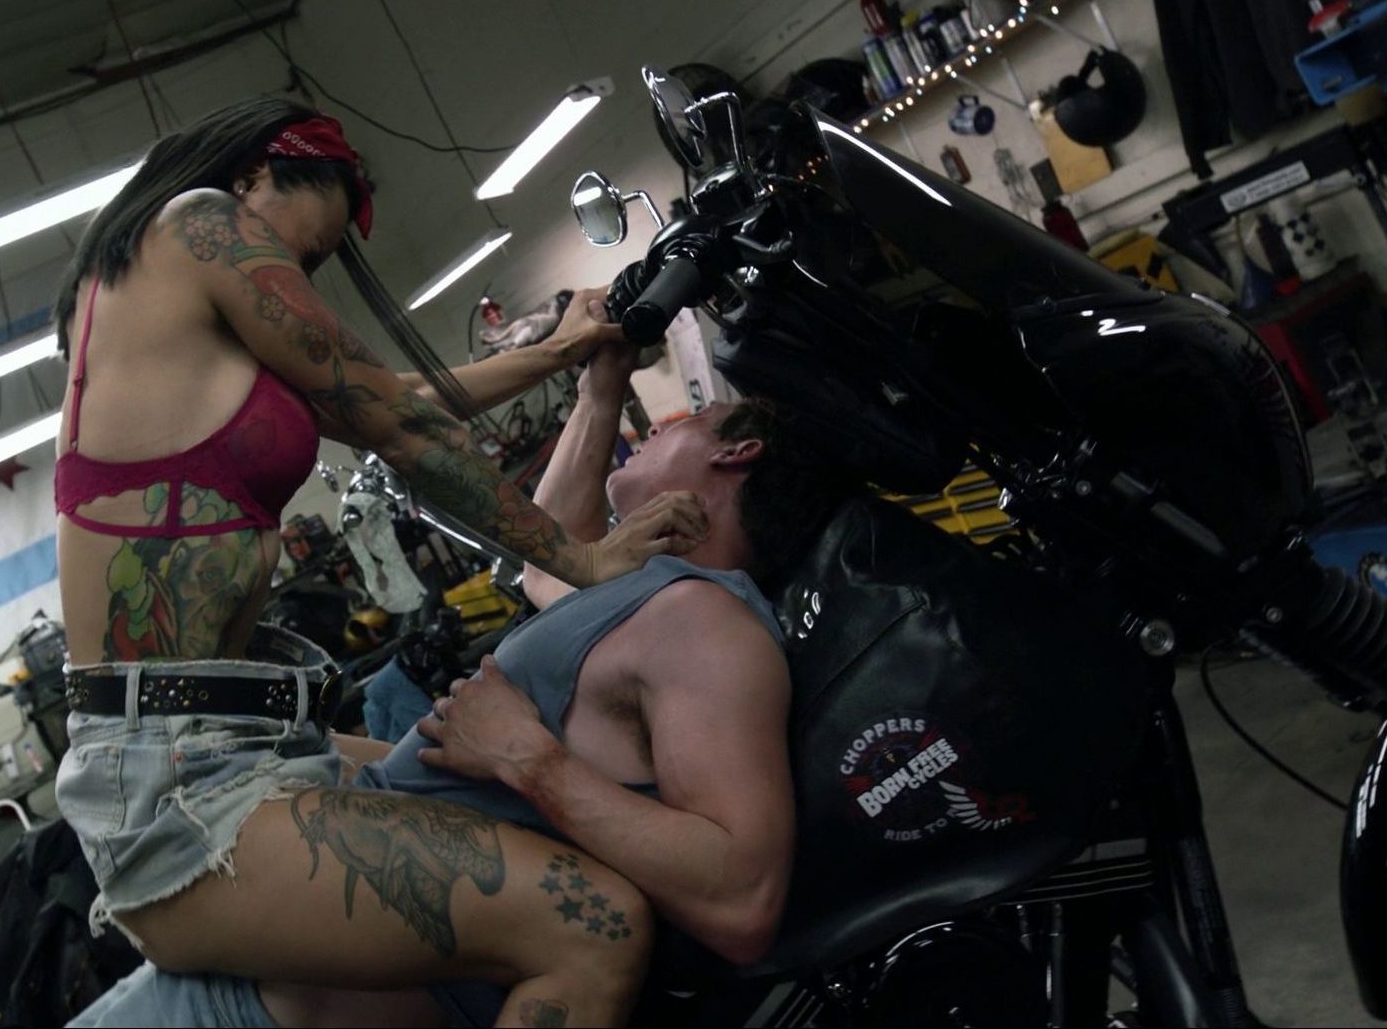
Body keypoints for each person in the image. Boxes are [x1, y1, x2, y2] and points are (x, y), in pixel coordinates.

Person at [50, 95, 712, 1029]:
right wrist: (583, 558)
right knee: (594, 925)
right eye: (307, 247)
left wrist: (564, 353)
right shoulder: (200, 225)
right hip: (181, 783)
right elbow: (397, 426)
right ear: (253, 177)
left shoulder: (172, 306)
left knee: (511, 793)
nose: (298, 275)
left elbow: (394, 397)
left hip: (241, 740)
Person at [72, 326, 857, 1028]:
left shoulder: (706, 624)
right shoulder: (644, 595)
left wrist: (530, 760)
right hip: (240, 966)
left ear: (736, 453)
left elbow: (742, 899)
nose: (653, 428)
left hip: (262, 1006)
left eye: (689, 419)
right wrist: (600, 385)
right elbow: (548, 556)